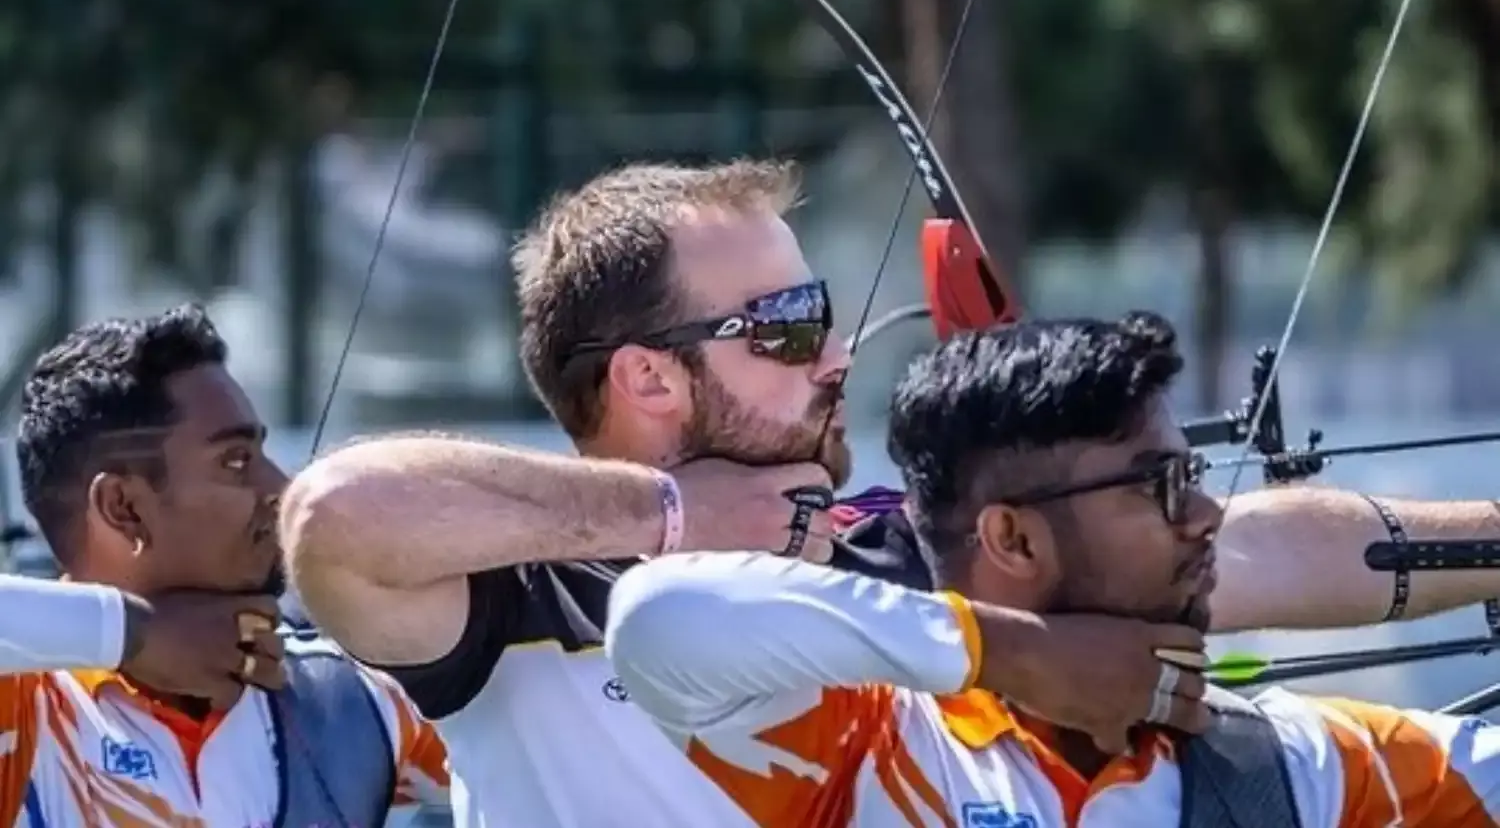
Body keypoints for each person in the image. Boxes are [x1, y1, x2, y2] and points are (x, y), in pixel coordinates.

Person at [283, 160, 1500, 825]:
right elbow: (334, 519)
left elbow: (1253, 549)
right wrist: (670, 520)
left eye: (826, 315)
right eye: (786, 324)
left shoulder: (875, 554)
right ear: (648, 377)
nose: (836, 355)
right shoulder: (508, 591)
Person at [605, 311, 1500, 827]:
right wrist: (1024, 656)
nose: (1205, 515)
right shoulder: (870, 746)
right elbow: (657, 615)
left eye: (1192, 476)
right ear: (1015, 540)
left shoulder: (1293, 765)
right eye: (1160, 485)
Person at [1, 305, 448, 827]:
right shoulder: (27, 708)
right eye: (235, 462)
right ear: (124, 508)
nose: (280, 487)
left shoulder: (352, 697)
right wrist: (139, 635)